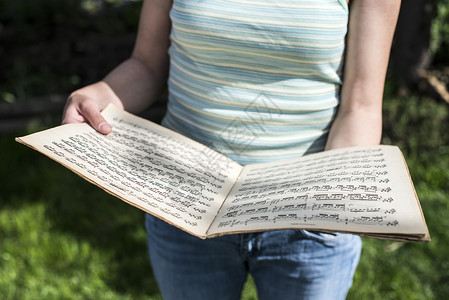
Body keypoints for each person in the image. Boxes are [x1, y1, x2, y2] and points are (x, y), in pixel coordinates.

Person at [62, 0, 401, 299]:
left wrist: (331, 209)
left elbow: (361, 103)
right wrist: (100, 94)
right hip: (182, 202)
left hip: (307, 217)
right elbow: (147, 65)